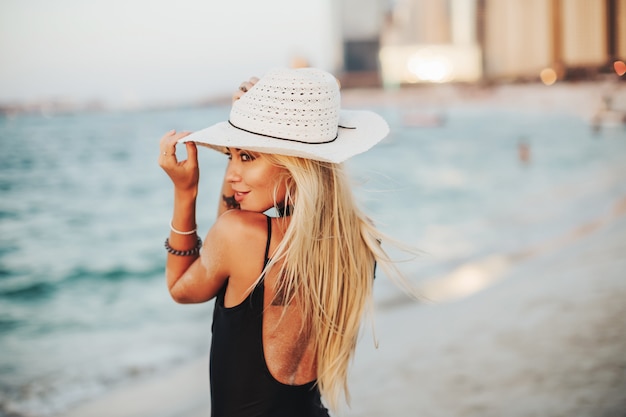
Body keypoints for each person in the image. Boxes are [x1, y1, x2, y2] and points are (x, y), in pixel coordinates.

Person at [158, 67, 414, 416]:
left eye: (247, 157)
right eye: (230, 155)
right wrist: (244, 138)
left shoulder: (242, 235)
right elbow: (226, 242)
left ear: (294, 164)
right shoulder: (360, 238)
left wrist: (185, 193)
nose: (233, 174)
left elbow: (181, 288)